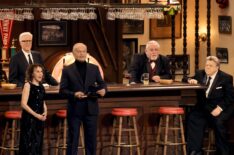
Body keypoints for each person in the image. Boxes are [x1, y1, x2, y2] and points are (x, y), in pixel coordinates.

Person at [59, 43, 107, 155]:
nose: (81, 53)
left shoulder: (94, 68)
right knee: (73, 140)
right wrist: (74, 94)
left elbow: (102, 84)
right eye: (78, 51)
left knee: (91, 141)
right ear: (73, 53)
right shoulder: (67, 70)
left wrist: (104, 90)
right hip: (75, 109)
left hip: (91, 109)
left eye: (83, 51)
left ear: (86, 53)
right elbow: (62, 91)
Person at [185, 56, 234, 155]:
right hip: (204, 107)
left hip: (219, 106)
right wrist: (190, 80)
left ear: (217, 67)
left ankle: (223, 151)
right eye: (206, 65)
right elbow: (185, 77)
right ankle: (195, 151)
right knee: (193, 117)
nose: (207, 67)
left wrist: (219, 108)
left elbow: (230, 97)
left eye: (210, 66)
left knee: (218, 122)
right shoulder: (200, 74)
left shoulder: (226, 78)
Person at [19, 64, 47, 155]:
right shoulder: (28, 85)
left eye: (41, 71)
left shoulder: (41, 86)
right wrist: (36, 115)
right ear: (32, 73)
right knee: (28, 144)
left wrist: (45, 112)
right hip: (29, 120)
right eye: (37, 71)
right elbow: (23, 104)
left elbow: (43, 102)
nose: (40, 74)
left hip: (39, 119)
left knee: (37, 144)